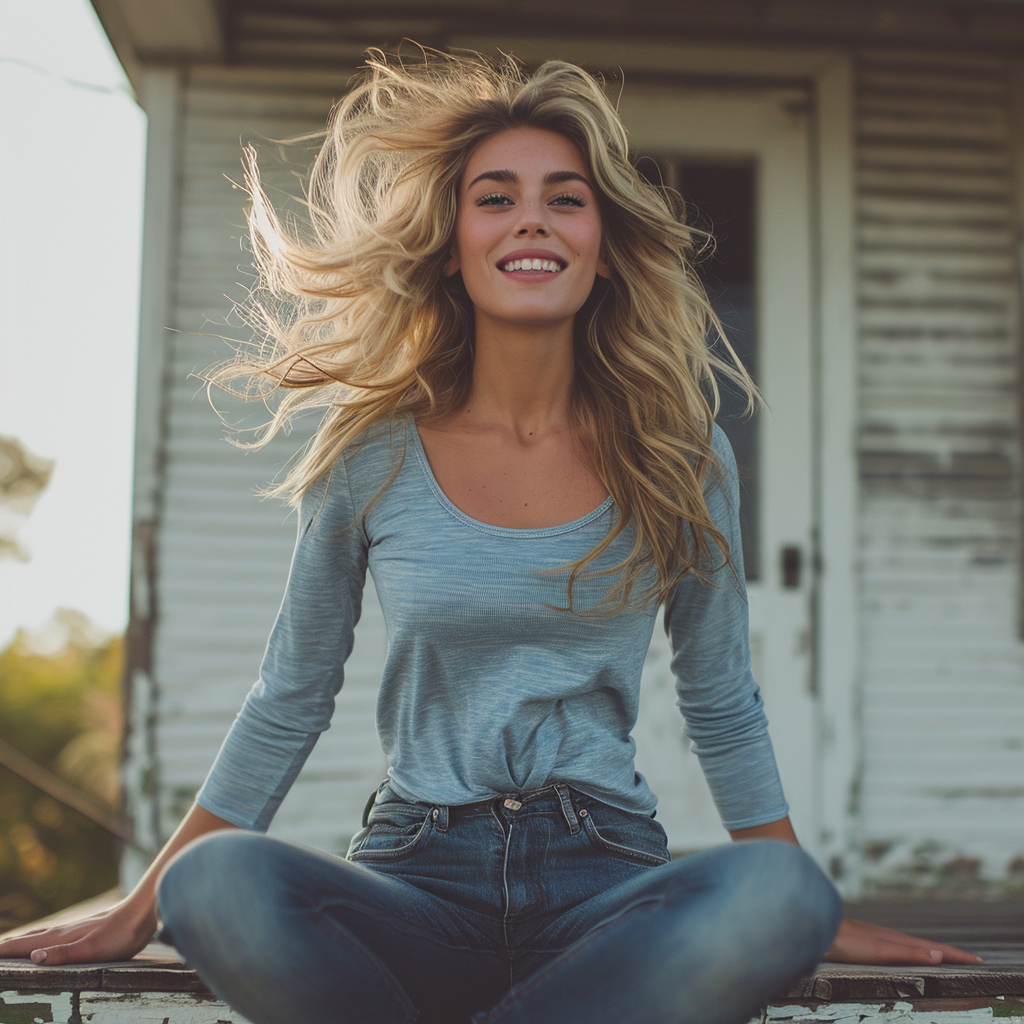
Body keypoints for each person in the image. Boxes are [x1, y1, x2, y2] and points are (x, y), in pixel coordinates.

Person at [0, 49, 980, 1024]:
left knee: (784, 896)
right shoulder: (370, 453)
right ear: (453, 240)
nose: (531, 221)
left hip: (604, 880)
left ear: (601, 240)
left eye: (565, 198)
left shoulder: (682, 455)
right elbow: (289, 695)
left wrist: (807, 902)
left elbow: (719, 691)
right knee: (209, 882)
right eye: (495, 197)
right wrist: (140, 905)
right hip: (415, 877)